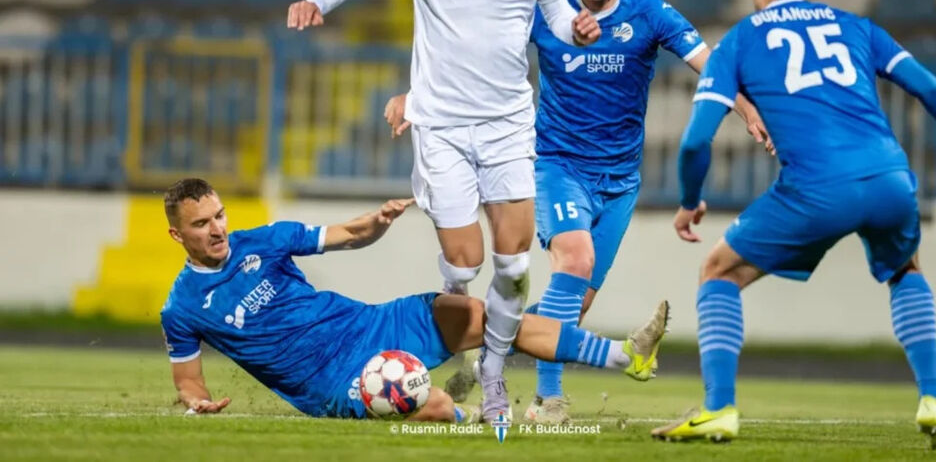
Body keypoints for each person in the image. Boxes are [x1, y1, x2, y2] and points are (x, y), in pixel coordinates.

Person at [386, 0, 770, 423]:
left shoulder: (650, 14)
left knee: (575, 305)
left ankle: (485, 364)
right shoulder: (546, 11)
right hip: (553, 165)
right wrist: (417, 96)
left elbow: (711, 66)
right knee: (575, 260)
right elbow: (473, 56)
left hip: (619, 182)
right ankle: (549, 401)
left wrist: (747, 110)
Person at [286, 0, 600, 421]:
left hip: (508, 124)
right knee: (464, 264)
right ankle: (453, 330)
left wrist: (574, 28)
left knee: (513, 265)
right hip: (444, 129)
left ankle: (495, 374)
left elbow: (554, 12)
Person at [650, 0, 936, 448]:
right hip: (889, 178)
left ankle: (719, 408)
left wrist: (688, 199)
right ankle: (933, 399)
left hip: (816, 189)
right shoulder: (856, 27)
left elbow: (696, 140)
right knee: (906, 268)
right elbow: (929, 88)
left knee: (718, 271)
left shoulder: (740, 41)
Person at [160, 178, 667, 422]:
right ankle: (471, 417)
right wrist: (198, 402)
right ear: (177, 235)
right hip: (335, 383)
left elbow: (348, 234)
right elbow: (189, 381)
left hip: (371, 325)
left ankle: (628, 355)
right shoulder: (181, 308)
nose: (218, 228)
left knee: (480, 315)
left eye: (219, 215)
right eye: (202, 224)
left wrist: (376, 223)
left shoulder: (263, 240)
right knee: (426, 401)